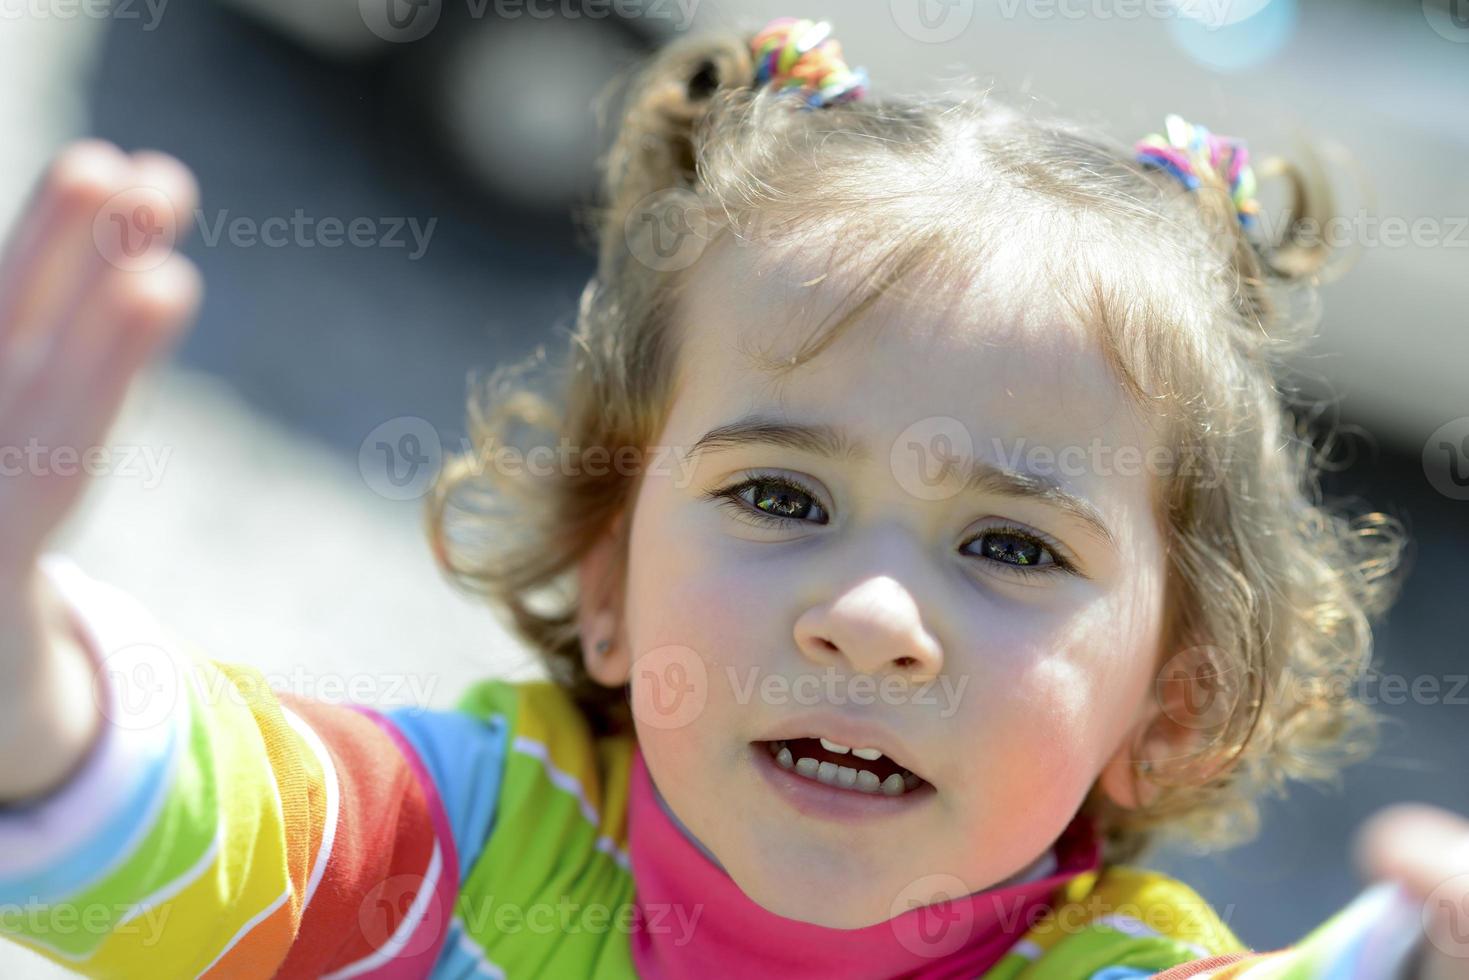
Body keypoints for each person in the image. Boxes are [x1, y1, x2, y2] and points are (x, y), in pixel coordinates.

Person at [0, 15, 1465, 979]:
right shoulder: (457, 853)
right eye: (779, 496)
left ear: (1168, 710)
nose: (871, 617)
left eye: (1011, 543)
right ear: (605, 577)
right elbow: (172, 809)